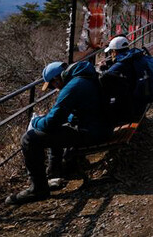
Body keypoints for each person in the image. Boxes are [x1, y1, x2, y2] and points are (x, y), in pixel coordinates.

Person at [7, 60, 111, 205]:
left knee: (29, 139)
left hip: (91, 133)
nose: (54, 89)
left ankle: (38, 188)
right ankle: (55, 173)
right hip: (100, 126)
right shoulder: (84, 77)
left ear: (57, 79)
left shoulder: (72, 87)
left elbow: (51, 122)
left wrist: (35, 122)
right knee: (55, 129)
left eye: (51, 85)